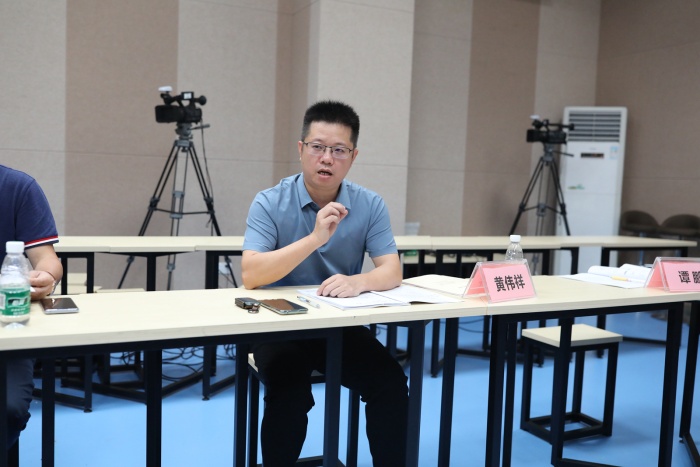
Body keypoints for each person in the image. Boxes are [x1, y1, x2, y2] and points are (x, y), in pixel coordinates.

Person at [242, 100, 408, 466]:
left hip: (337, 325)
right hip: (277, 326)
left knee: (390, 383)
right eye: (318, 147)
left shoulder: (369, 204)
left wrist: (360, 281)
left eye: (339, 150)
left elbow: (392, 270)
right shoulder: (269, 202)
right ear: (301, 149)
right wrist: (316, 238)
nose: (327, 158)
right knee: (289, 393)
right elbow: (251, 274)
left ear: (353, 156)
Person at [0, 164, 63, 449]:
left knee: (9, 408)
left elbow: (46, 259)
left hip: (7, 324)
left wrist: (46, 276)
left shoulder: (17, 187)